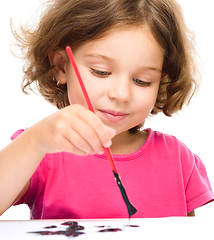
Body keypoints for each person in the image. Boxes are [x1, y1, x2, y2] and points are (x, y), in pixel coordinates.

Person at [0, 0, 213, 219]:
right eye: (101, 72)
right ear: (61, 66)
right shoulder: (41, 153)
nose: (121, 94)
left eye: (142, 81)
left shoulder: (178, 160)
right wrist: (35, 142)